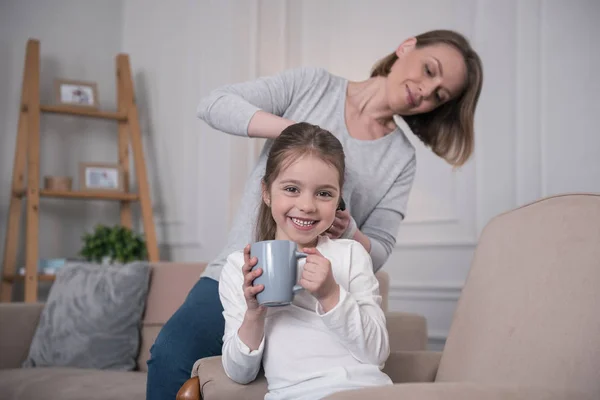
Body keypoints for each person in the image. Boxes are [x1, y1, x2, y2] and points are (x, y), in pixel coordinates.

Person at [145, 29, 483, 399]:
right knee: (170, 357)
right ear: (406, 48)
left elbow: (380, 248)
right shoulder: (313, 86)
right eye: (429, 70)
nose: (425, 91)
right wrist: (298, 135)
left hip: (322, 278)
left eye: (440, 95)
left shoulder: (400, 157)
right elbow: (214, 104)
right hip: (246, 274)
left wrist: (350, 230)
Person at [219, 122, 392, 399]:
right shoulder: (240, 267)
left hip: (367, 390)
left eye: (324, 193)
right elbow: (240, 372)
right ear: (266, 191)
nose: (308, 206)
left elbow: (377, 353)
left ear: (338, 199)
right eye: (291, 189)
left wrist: (331, 294)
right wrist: (254, 314)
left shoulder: (350, 254)